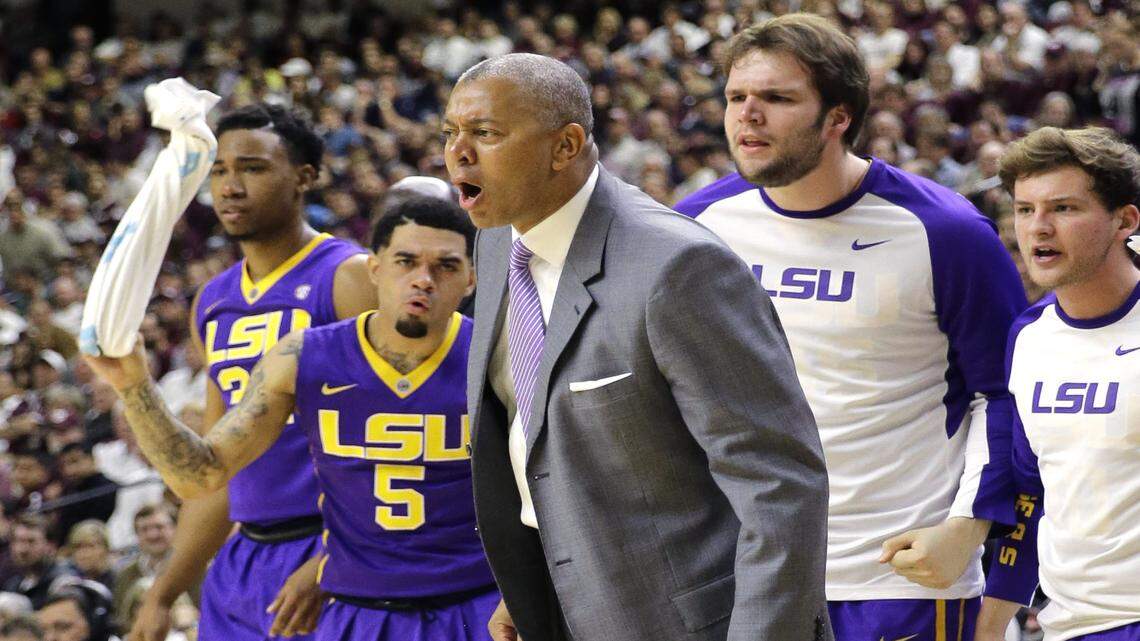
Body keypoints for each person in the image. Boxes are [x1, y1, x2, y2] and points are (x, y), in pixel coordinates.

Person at [446, 53, 829, 641]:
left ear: (566, 146)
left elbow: (780, 486)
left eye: (485, 134)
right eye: (451, 133)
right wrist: (541, 581)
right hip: (562, 603)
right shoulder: (498, 238)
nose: (459, 153)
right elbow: (535, 435)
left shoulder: (679, 268)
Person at [673, 14, 1028, 641]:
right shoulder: (695, 225)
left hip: (898, 577)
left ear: (838, 117)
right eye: (735, 97)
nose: (746, 115)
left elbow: (1004, 393)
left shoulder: (946, 233)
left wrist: (970, 525)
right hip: (746, 573)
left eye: (777, 98)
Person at [86, 198, 499, 641]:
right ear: (375, 268)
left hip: (474, 604)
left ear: (471, 280)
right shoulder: (302, 357)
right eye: (406, 261)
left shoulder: (499, 359)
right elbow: (201, 475)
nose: (423, 279)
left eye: (446, 267)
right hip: (358, 612)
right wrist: (133, 387)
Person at [128, 103, 376, 641]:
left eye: (253, 168)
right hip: (244, 557)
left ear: (304, 177)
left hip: (336, 548)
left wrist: (336, 559)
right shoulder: (213, 301)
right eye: (219, 171)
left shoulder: (350, 276)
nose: (230, 186)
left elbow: (396, 441)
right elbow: (215, 470)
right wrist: (164, 591)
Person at [977, 127, 1140, 641]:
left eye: (1064, 208)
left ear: (1124, 220)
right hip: (1066, 624)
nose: (1038, 229)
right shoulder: (1028, 336)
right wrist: (990, 621)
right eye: (1025, 210)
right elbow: (1031, 493)